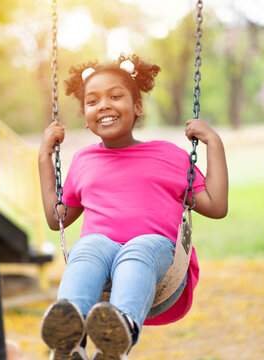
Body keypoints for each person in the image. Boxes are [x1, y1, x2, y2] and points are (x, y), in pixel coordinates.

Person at [38, 54, 228, 360]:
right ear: (86, 118)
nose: (104, 105)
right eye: (93, 101)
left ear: (137, 107)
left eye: (115, 96)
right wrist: (44, 157)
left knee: (138, 249)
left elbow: (216, 206)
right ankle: (68, 339)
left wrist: (213, 142)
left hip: (156, 252)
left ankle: (118, 332)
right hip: (101, 252)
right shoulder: (83, 161)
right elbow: (56, 218)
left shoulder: (169, 156)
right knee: (87, 247)